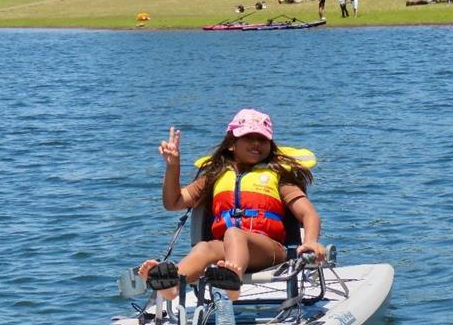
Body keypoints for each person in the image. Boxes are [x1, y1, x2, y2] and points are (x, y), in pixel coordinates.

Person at [139, 109, 325, 302]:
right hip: (226, 251)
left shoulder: (278, 177)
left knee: (234, 233)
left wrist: (310, 241)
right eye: (248, 137)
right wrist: (173, 166)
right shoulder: (215, 176)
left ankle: (231, 283)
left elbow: (309, 215)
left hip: (269, 250)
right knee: (204, 248)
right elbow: (173, 202)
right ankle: (172, 285)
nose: (256, 143)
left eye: (262, 139)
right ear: (231, 144)